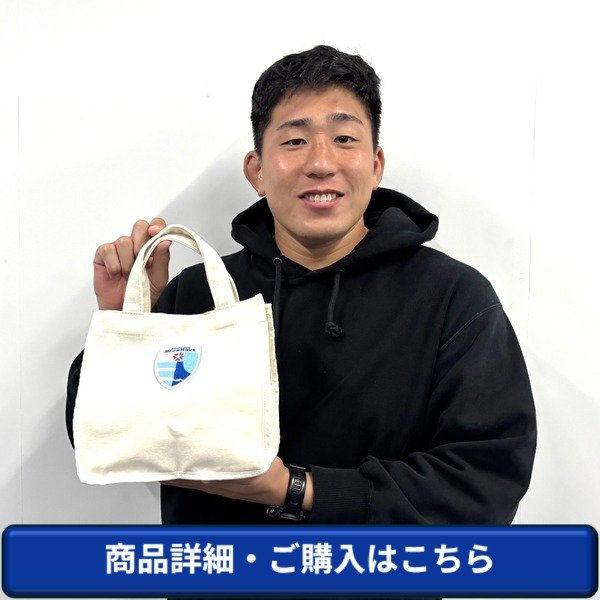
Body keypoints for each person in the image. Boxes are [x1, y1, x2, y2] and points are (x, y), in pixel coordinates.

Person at [66, 45, 536, 526]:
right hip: (219, 567)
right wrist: (127, 324)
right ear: (257, 171)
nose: (321, 162)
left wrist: (294, 489)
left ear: (375, 165)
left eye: (344, 138)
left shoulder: (452, 298)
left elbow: (484, 485)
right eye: (294, 141)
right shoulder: (199, 293)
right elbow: (103, 437)